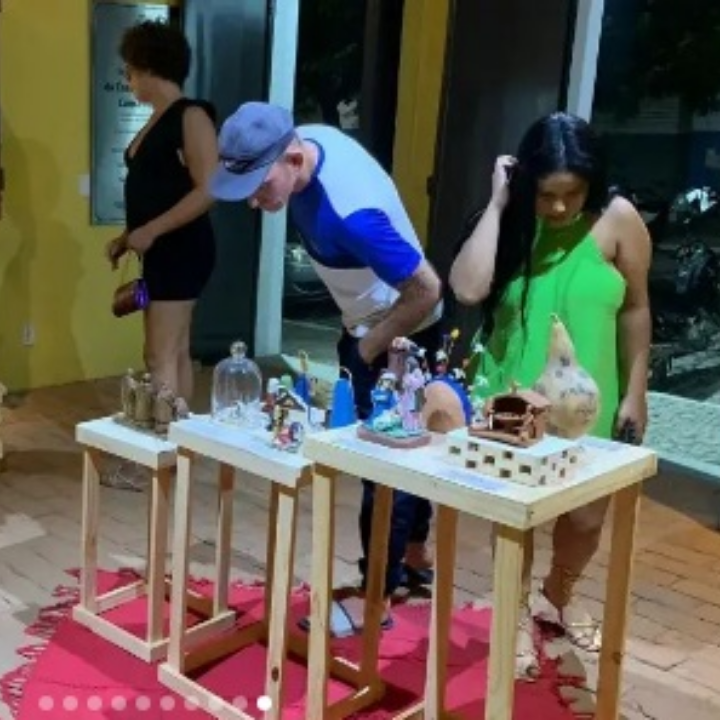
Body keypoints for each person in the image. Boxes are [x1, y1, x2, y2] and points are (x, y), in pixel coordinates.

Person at [209, 101, 443, 630]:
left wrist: (368, 347)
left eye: (258, 188)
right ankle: (412, 557)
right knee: (405, 457)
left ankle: (376, 597)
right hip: (369, 320)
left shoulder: (351, 213)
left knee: (382, 468)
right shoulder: (306, 141)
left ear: (292, 158)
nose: (254, 203)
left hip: (399, 332)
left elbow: (427, 290)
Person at [450, 112, 651, 677]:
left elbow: (637, 309)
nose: (560, 207)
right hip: (513, 402)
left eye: (573, 193)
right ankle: (514, 614)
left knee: (586, 520)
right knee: (516, 520)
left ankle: (558, 594)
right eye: (546, 194)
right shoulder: (511, 224)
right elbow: (466, 288)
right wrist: (498, 204)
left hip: (591, 401)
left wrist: (637, 392)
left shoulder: (617, 220)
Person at [104, 20, 218, 488]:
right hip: (162, 247)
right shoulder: (159, 118)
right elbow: (159, 189)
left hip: (181, 248)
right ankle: (178, 449)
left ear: (148, 67)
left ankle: (158, 460)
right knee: (175, 351)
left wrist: (150, 230)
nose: (128, 79)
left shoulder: (191, 115)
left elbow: (209, 189)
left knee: (159, 354)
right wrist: (129, 235)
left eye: (130, 70)